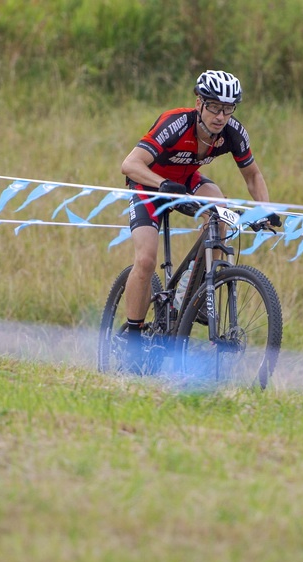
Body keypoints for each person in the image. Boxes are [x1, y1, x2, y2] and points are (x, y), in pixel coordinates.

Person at [119, 69, 272, 370]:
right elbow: (130, 164)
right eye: (214, 107)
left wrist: (264, 211)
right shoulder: (176, 123)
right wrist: (160, 184)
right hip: (148, 185)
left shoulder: (233, 133)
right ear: (199, 102)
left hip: (187, 181)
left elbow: (253, 175)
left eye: (228, 109)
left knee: (220, 208)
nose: (221, 116)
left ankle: (198, 288)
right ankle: (133, 339)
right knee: (147, 260)